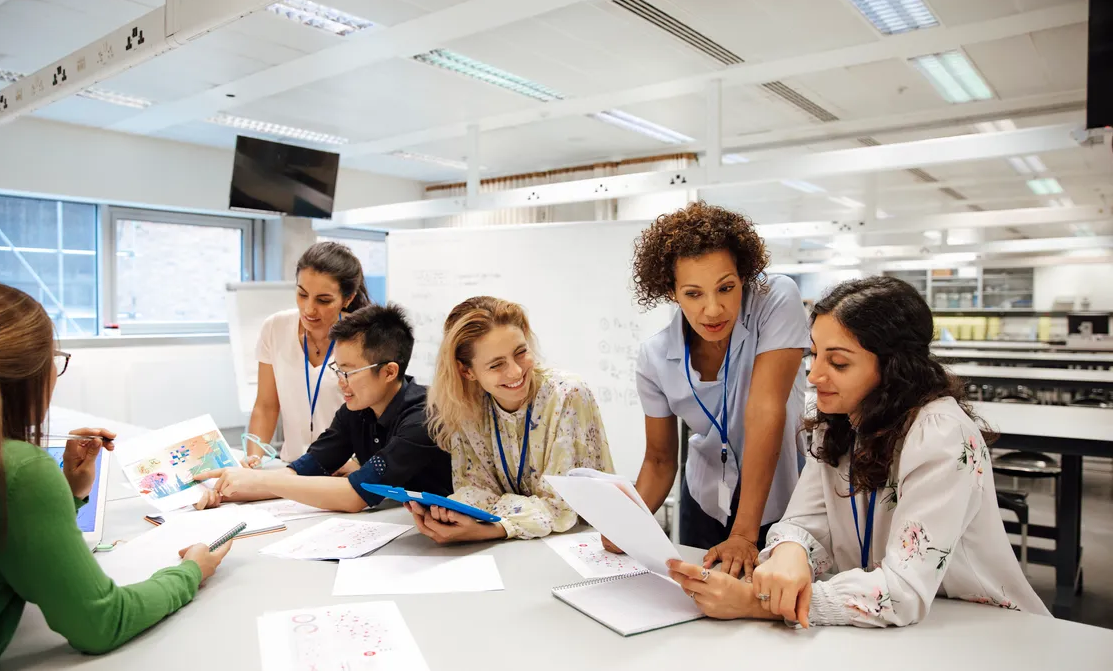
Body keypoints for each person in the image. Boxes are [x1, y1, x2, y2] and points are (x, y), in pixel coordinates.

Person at [666, 276, 1050, 627]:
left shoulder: (940, 436)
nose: (815, 376)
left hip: (981, 629)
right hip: (885, 631)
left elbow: (902, 592)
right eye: (813, 355)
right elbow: (803, 523)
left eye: (838, 362)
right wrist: (789, 552)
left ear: (892, 367)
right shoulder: (841, 421)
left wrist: (757, 601)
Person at [0, 280, 231, 670]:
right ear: (26, 374)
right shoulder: (15, 470)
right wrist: (190, 573)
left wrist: (67, 491)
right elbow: (101, 623)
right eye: (55, 359)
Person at [616, 201, 809, 579]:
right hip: (704, 500)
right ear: (671, 291)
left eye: (726, 287)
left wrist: (743, 534)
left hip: (779, 499)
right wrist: (627, 526)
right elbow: (658, 460)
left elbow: (766, 410)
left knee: (768, 610)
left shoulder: (776, 300)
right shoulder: (655, 356)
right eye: (693, 294)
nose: (713, 309)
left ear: (744, 277)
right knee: (699, 610)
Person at [194, 304, 451, 512]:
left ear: (388, 372)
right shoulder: (357, 409)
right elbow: (300, 472)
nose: (341, 383)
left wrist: (258, 479)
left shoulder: (423, 417)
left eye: (348, 372)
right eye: (337, 369)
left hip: (455, 540)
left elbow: (355, 495)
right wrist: (226, 490)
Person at [408, 296, 614, 544]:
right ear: (467, 371)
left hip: (580, 546)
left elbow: (561, 508)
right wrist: (450, 512)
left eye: (521, 352)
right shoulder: (467, 406)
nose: (516, 372)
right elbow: (475, 492)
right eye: (496, 365)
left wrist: (488, 528)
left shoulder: (566, 394)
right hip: (509, 547)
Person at [243, 242, 370, 467]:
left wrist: (359, 463)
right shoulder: (275, 328)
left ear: (347, 299)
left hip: (343, 470)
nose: (309, 309)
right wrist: (253, 458)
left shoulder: (364, 339)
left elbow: (375, 416)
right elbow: (266, 406)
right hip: (292, 467)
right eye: (302, 294)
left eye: (323, 300)